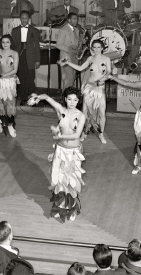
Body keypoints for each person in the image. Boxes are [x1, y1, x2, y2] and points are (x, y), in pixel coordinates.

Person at [35, 87, 86, 221]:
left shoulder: (81, 116)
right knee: (59, 181)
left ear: (78, 101)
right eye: (69, 99)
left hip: (73, 153)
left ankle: (73, 208)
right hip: (60, 151)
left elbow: (76, 135)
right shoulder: (61, 110)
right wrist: (37, 97)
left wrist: (58, 137)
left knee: (72, 183)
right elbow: (46, 97)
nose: (72, 102)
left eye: (75, 99)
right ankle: (60, 207)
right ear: (65, 99)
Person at [59, 39, 111, 144]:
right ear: (92, 49)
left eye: (98, 47)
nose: (96, 49)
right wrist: (68, 63)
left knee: (102, 113)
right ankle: (84, 132)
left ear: (102, 48)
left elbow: (109, 72)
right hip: (89, 88)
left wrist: (103, 78)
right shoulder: (90, 58)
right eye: (94, 47)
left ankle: (101, 134)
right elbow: (79, 68)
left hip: (100, 89)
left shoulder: (106, 59)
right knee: (85, 112)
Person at [11, 10, 41, 105]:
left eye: (26, 18)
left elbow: (37, 46)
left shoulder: (35, 31)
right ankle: (23, 98)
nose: (24, 20)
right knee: (21, 77)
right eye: (22, 18)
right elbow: (13, 46)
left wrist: (37, 60)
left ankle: (32, 98)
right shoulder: (15, 31)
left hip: (30, 57)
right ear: (20, 19)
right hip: (19, 56)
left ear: (29, 19)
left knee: (30, 78)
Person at [56, 12, 81, 90]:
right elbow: (59, 45)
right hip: (66, 56)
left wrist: (79, 48)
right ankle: (65, 98)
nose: (76, 21)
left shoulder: (76, 30)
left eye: (76, 19)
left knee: (72, 78)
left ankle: (68, 97)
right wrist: (70, 50)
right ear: (69, 20)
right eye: (74, 19)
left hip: (74, 57)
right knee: (67, 78)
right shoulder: (63, 30)